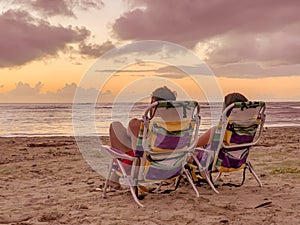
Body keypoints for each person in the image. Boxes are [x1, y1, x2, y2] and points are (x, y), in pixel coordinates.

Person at [107, 86, 177, 188]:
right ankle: (115, 177)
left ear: (153, 102)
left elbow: (139, 154)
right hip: (170, 164)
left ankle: (115, 175)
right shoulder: (180, 125)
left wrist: (139, 125)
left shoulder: (141, 125)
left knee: (118, 126)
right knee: (117, 125)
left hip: (145, 166)